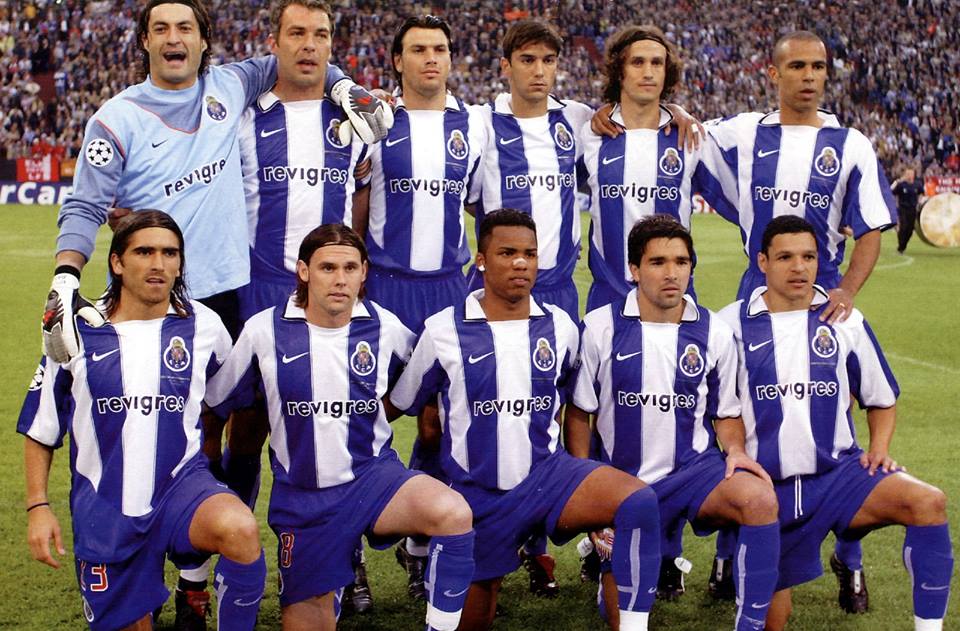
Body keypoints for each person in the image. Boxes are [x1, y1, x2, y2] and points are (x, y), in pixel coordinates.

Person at [39, 2, 391, 622]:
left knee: (257, 426)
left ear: (205, 42)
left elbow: (304, 57)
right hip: (159, 296)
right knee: (177, 431)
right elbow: (86, 204)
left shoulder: (231, 85)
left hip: (230, 293)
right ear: (144, 41)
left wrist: (345, 86)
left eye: (186, 28)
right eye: (161, 28)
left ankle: (226, 569)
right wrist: (66, 275)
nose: (174, 38)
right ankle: (161, 563)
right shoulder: (115, 117)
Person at [390, 209, 664, 631]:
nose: (521, 263)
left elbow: (574, 402)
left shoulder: (561, 327)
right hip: (477, 496)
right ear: (482, 260)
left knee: (637, 502)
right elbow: (405, 402)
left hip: (548, 479)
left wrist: (583, 471)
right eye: (507, 253)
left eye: (530, 254)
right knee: (469, 621)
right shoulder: (443, 330)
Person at [204, 224, 476, 631]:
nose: (340, 279)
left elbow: (421, 380)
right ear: (304, 271)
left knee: (453, 514)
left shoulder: (383, 326)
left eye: (350, 268)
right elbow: (218, 400)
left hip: (374, 479)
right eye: (327, 267)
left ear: (364, 272)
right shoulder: (264, 330)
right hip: (304, 497)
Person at [20, 211, 267, 631]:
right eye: (145, 252)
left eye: (170, 253)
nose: (159, 264)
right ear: (117, 262)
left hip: (180, 488)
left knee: (240, 528)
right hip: (107, 505)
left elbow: (227, 396)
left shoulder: (204, 325)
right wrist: (38, 507)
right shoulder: (75, 330)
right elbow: (41, 428)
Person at [717, 215, 952, 631]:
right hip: (769, 491)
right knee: (772, 621)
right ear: (762, 262)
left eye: (808, 257)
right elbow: (722, 409)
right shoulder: (729, 324)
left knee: (928, 502)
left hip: (839, 477)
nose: (799, 267)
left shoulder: (844, 320)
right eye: (785, 257)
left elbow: (881, 398)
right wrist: (735, 453)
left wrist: (879, 449)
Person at [566, 215, 780, 631]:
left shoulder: (714, 332)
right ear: (634, 269)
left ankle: (750, 626)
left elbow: (726, 411)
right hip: (622, 481)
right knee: (623, 619)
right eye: (658, 262)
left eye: (681, 262)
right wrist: (585, 482)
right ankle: (612, 571)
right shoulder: (599, 327)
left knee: (759, 500)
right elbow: (578, 413)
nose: (672, 273)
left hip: (693, 475)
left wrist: (736, 450)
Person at [235, 0, 374, 612]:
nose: (309, 45)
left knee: (337, 428)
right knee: (246, 429)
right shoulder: (244, 118)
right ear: (275, 42)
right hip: (261, 288)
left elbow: (362, 197)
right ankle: (232, 553)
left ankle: (348, 557)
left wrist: (350, 269)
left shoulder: (353, 119)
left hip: (331, 297)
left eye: (321, 34)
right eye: (297, 33)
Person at [352, 14, 486, 599]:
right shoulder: (375, 121)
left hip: (448, 290)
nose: (431, 58)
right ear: (397, 60)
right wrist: (354, 272)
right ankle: (348, 550)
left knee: (438, 423)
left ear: (451, 58)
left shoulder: (474, 125)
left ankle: (418, 542)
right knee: (362, 416)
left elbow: (483, 202)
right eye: (418, 49)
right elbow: (358, 199)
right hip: (385, 287)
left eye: (439, 49)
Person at [579, 25, 731, 313]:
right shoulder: (590, 132)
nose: (648, 72)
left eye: (657, 63)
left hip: (673, 303)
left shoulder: (691, 137)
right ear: (619, 71)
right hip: (608, 303)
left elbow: (743, 201)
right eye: (638, 62)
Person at [470, 18, 593, 322]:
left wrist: (676, 111)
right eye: (527, 60)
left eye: (548, 60)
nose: (539, 71)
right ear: (506, 66)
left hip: (559, 289)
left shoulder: (577, 118)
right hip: (498, 288)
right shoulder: (481, 122)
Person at [892, 167, 924, 254]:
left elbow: (921, 193)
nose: (909, 175)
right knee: (904, 227)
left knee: (910, 230)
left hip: (913, 209)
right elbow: (892, 192)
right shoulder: (901, 185)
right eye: (908, 174)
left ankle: (903, 246)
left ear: (914, 174)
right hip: (903, 209)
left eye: (911, 174)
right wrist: (897, 182)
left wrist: (919, 201)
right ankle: (900, 247)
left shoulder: (917, 184)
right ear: (905, 175)